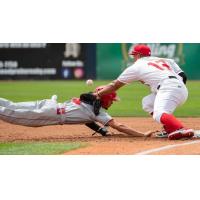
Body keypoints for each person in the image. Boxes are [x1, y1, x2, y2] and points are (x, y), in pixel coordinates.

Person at [93, 44, 194, 140]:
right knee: (147, 102)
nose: (134, 58)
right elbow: (183, 76)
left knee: (159, 113)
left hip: (168, 87)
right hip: (179, 88)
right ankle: (170, 128)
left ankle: (180, 129)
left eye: (134, 55)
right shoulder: (165, 60)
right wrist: (177, 88)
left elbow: (115, 85)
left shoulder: (136, 66)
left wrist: (98, 94)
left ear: (139, 55)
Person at [0, 86, 153, 137]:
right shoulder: (98, 111)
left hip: (50, 104)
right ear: (106, 99)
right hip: (50, 114)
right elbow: (119, 126)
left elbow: (86, 118)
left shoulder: (91, 104)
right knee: (11, 115)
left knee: (12, 105)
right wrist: (142, 134)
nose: (113, 102)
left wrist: (101, 131)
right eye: (112, 100)